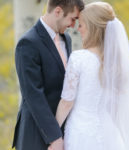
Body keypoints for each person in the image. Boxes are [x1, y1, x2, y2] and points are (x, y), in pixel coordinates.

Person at [55, 2, 129, 150]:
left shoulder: (79, 58)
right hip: (110, 134)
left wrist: (53, 133)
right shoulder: (117, 64)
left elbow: (66, 103)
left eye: (81, 25)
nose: (78, 29)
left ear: (92, 28)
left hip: (81, 134)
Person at [12, 0, 84, 150]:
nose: (73, 25)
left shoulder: (67, 39)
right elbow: (33, 95)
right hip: (36, 134)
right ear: (57, 11)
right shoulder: (28, 43)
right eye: (72, 19)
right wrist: (55, 137)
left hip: (63, 131)